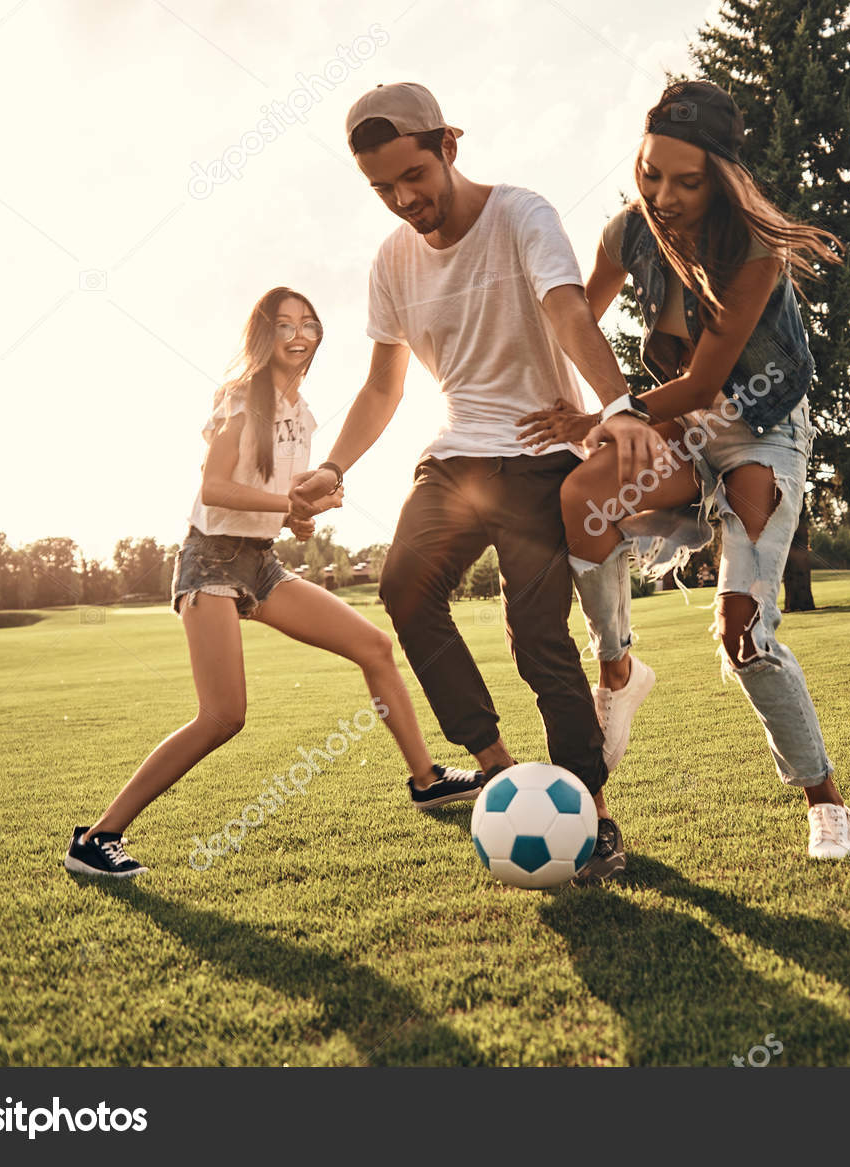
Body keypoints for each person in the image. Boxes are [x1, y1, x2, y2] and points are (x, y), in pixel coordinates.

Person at [290, 83, 670, 882]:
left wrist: (618, 406)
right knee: (403, 586)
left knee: (538, 640)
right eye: (382, 189)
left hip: (539, 456)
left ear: (448, 146)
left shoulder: (522, 215)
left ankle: (592, 812)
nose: (403, 200)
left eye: (412, 177)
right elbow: (384, 387)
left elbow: (569, 312)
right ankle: (496, 763)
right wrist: (332, 466)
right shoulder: (392, 261)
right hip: (457, 454)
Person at [517, 80, 850, 860]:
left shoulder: (756, 252)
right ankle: (618, 671)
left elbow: (706, 384)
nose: (662, 196)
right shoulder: (629, 233)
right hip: (673, 426)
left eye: (685, 180)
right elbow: (574, 319)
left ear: (722, 178)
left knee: (743, 630)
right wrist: (578, 406)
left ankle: (824, 801)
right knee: (584, 496)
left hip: (759, 435)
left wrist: (611, 414)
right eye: (649, 172)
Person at [65, 286, 482, 879]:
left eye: (308, 323)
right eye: (284, 323)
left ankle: (426, 780)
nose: (298, 332)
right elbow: (214, 489)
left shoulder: (303, 414)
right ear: (265, 335)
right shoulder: (241, 399)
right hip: (210, 561)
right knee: (222, 717)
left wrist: (310, 504)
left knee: (374, 646)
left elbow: (276, 507)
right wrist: (288, 507)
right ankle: (97, 837)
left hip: (260, 564)